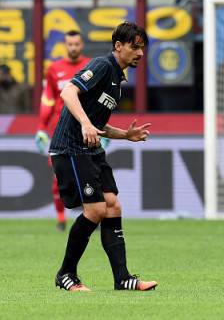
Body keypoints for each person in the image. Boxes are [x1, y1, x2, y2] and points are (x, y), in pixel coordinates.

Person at [49, 21, 158, 291]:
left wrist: (125, 135)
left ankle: (123, 279)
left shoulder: (118, 80)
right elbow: (68, 92)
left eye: (142, 48)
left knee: (112, 205)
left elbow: (99, 124)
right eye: (135, 47)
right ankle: (66, 274)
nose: (140, 53)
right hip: (70, 148)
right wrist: (85, 124)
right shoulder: (101, 65)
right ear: (118, 46)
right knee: (96, 209)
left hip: (92, 149)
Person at [35, 30, 90, 231]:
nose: (73, 47)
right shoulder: (54, 69)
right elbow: (47, 99)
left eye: (76, 44)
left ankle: (92, 215)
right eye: (70, 44)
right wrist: (42, 128)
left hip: (86, 131)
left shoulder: (91, 66)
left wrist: (101, 129)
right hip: (61, 133)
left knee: (89, 176)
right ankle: (60, 218)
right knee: (59, 178)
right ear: (65, 45)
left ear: (81, 44)